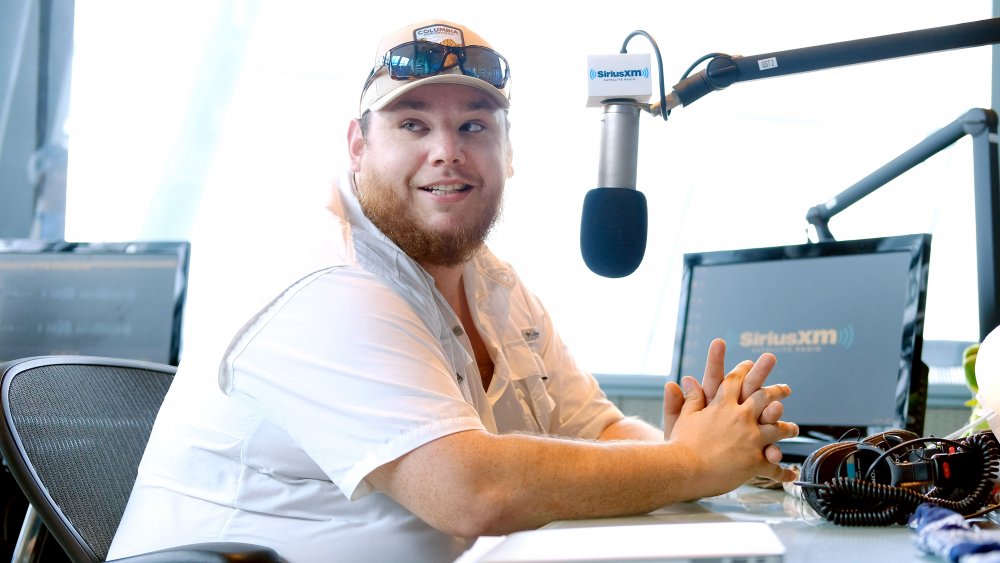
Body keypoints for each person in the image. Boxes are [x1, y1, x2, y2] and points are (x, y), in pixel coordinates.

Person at [107, 18, 798, 563]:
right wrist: (690, 464)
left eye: (474, 125)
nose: (448, 149)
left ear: (508, 152)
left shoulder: (490, 280)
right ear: (357, 146)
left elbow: (598, 430)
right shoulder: (327, 280)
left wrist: (718, 452)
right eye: (413, 124)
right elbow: (472, 489)